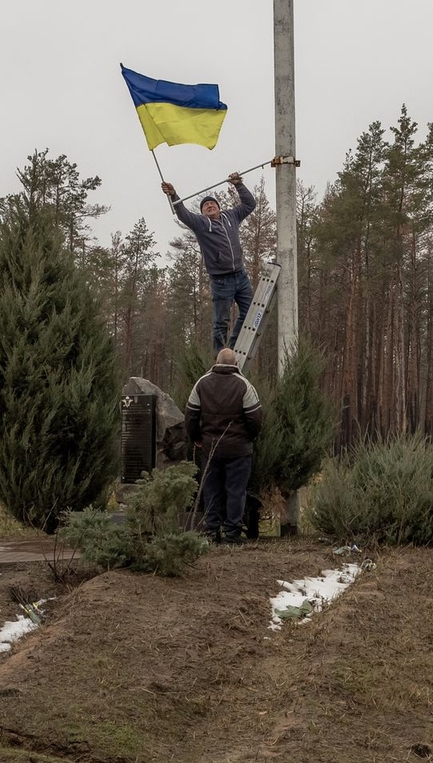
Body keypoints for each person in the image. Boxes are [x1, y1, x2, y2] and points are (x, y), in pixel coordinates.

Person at [162, 173, 257, 352]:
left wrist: (238, 185)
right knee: (221, 323)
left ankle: (233, 349)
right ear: (203, 212)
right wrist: (174, 195)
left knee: (250, 312)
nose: (210, 205)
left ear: (219, 207)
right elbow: (183, 215)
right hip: (221, 282)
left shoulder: (232, 216)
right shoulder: (201, 224)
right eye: (205, 205)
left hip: (241, 277)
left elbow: (249, 204)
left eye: (213, 203)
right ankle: (219, 358)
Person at [185, 347, 263, 543]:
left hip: (210, 448)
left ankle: (211, 531)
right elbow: (255, 419)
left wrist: (197, 437)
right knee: (236, 491)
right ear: (235, 364)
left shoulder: (201, 383)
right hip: (239, 450)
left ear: (216, 361)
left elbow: (191, 415)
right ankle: (232, 534)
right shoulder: (244, 385)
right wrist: (249, 438)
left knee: (211, 490)